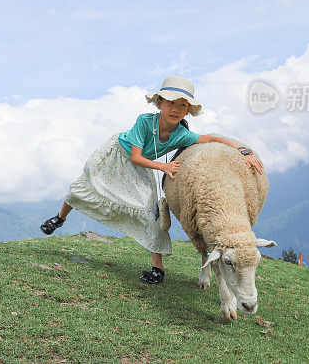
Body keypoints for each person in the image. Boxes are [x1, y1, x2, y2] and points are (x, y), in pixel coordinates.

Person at [39, 75, 265, 284]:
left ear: (188, 111)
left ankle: (158, 268)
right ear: (159, 104)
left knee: (151, 212)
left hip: (144, 167)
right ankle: (59, 218)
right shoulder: (145, 122)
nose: (175, 109)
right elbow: (136, 157)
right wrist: (164, 167)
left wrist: (244, 150)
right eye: (170, 103)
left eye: (182, 105)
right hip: (117, 155)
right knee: (83, 188)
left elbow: (212, 138)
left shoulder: (181, 135)